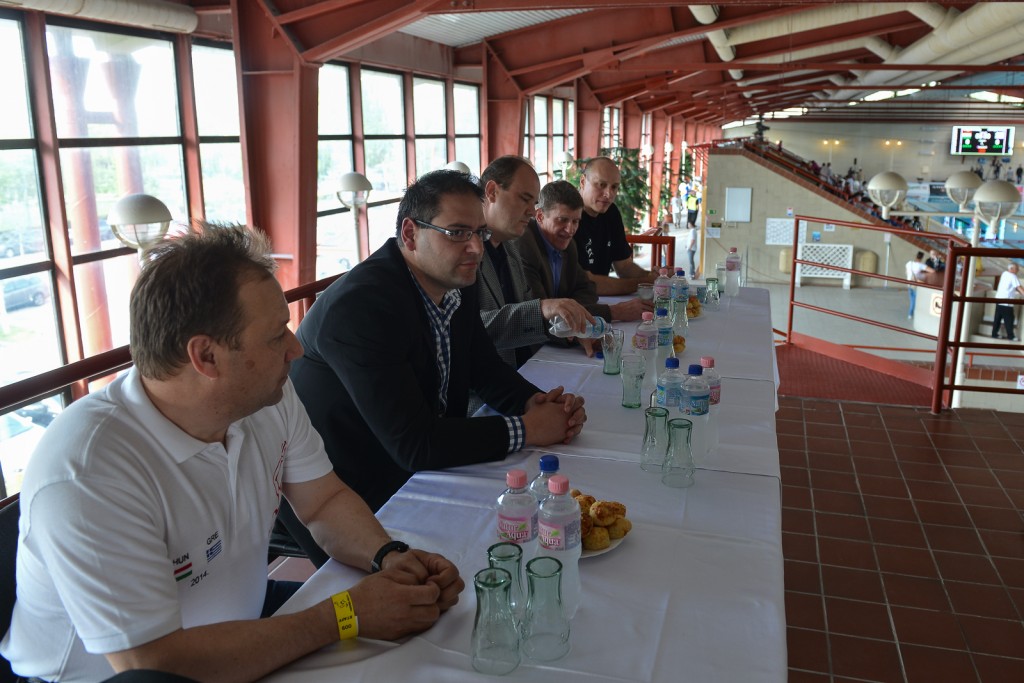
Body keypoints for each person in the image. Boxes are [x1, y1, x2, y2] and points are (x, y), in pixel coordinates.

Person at [0, 224, 465, 682]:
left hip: (240, 618)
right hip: (122, 676)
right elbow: (155, 665)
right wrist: (345, 615)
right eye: (276, 335)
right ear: (206, 357)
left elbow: (323, 501)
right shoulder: (89, 472)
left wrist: (389, 556)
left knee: (433, 633)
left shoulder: (265, 397)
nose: (295, 348)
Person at [288, 170, 587, 516]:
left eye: (480, 232)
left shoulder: (455, 279)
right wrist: (528, 428)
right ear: (410, 234)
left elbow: (484, 369)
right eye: (457, 233)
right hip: (347, 495)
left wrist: (537, 403)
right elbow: (413, 443)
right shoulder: (361, 307)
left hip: (420, 469)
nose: (476, 248)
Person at [476, 155, 593, 370]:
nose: (531, 211)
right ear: (492, 192)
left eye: (534, 203)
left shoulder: (510, 247)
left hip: (526, 370)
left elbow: (528, 318)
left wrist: (573, 332)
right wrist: (543, 307)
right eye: (524, 199)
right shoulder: (464, 250)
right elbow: (469, 329)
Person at [520, 180, 651, 331]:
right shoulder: (525, 246)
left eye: (576, 221)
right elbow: (540, 314)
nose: (570, 230)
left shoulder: (569, 245)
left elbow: (588, 288)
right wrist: (614, 312)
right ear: (540, 216)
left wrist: (571, 309)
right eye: (562, 220)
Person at [572, 156, 657, 296]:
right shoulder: (569, 217)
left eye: (614, 187)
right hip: (573, 301)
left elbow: (624, 266)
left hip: (600, 300)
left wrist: (655, 277)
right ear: (583, 181)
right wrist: (645, 282)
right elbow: (586, 283)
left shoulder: (611, 212)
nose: (608, 194)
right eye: (601, 185)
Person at [992, 262, 1024, 340]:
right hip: (1006, 302)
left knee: (997, 318)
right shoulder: (1013, 276)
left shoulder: (1004, 273)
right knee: (1009, 319)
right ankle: (1011, 336)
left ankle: (994, 334)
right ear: (1012, 269)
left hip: (999, 299)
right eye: (1017, 269)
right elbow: (1019, 287)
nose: (1018, 270)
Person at [905, 251, 934, 319]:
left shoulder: (909, 263)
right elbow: (933, 271)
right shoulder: (921, 265)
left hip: (909, 283)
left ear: (916, 256)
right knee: (914, 300)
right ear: (922, 258)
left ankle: (911, 313)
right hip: (916, 284)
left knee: (912, 299)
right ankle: (910, 314)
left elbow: (906, 272)